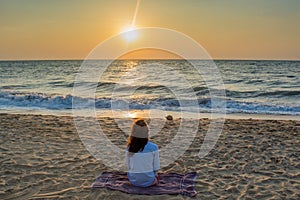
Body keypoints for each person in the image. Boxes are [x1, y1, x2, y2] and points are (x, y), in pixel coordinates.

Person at [126, 119, 160, 187]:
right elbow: (156, 167)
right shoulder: (154, 147)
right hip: (149, 181)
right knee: (155, 176)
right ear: (147, 132)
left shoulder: (129, 147)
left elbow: (128, 165)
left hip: (133, 181)